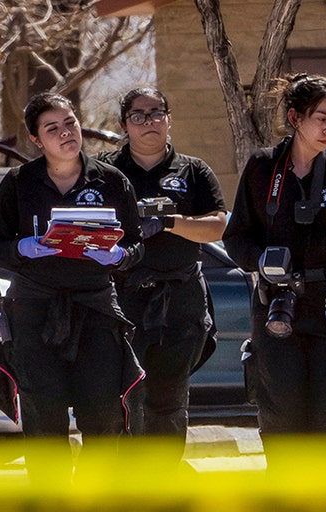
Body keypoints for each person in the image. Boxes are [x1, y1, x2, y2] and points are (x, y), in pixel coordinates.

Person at [222, 73, 326, 476]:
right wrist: (263, 261)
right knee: (281, 422)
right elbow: (236, 239)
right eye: (321, 117)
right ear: (295, 118)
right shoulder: (264, 167)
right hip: (278, 310)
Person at [0, 91, 144, 486]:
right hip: (34, 310)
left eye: (70, 123)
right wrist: (23, 248)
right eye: (52, 128)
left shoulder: (111, 180)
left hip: (95, 308)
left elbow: (136, 245)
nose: (65, 133)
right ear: (36, 140)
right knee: (43, 415)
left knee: (104, 414)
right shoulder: (19, 183)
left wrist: (119, 256)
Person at [100, 86, 228, 471]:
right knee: (124, 398)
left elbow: (217, 226)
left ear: (169, 119)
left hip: (179, 300)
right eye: (138, 116)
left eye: (157, 113)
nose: (149, 122)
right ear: (124, 124)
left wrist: (170, 222)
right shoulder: (105, 171)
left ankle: (164, 482)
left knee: (168, 400)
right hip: (122, 299)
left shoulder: (193, 171)